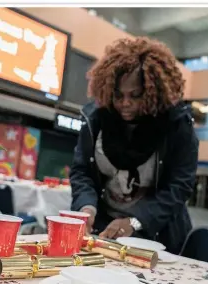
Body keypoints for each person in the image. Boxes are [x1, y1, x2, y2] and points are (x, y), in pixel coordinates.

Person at [70, 37, 199, 254]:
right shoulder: (95, 119)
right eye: (118, 95)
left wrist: (135, 222)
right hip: (103, 232)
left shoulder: (178, 126)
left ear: (153, 91)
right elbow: (81, 171)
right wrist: (86, 208)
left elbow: (179, 188)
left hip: (157, 240)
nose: (125, 103)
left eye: (135, 95)